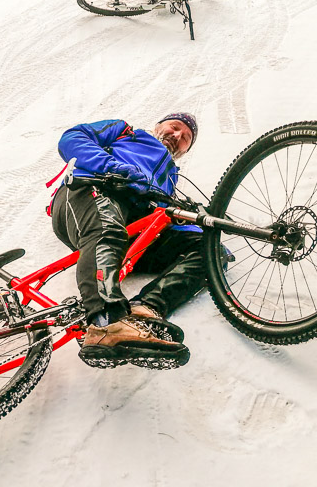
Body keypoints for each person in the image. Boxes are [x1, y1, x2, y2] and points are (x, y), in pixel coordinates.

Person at [50, 113, 204, 369]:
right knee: (107, 229)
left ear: (185, 150)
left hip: (132, 228)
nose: (177, 136)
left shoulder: (171, 178)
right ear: (158, 126)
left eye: (185, 138)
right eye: (175, 127)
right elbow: (72, 138)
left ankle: (145, 309)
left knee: (208, 249)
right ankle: (105, 322)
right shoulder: (126, 132)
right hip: (90, 192)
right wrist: (111, 166)